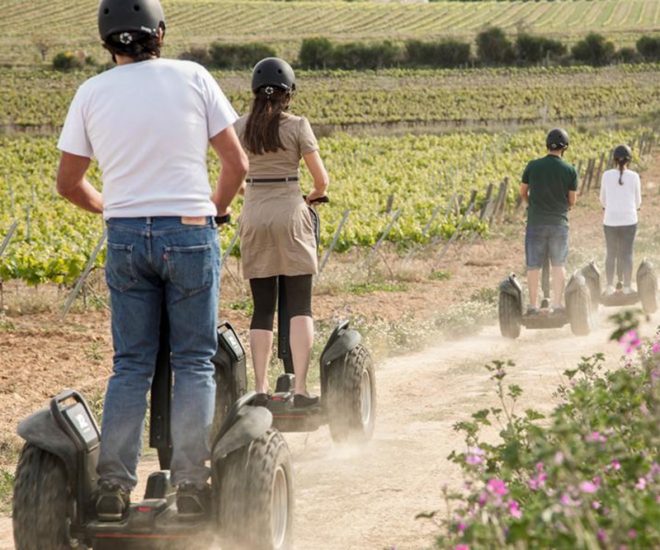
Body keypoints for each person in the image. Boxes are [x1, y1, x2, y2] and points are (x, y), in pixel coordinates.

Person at [56, 0, 247, 520]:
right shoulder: (192, 76)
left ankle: (113, 488)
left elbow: (68, 183)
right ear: (159, 33)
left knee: (131, 364)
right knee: (192, 362)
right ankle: (189, 484)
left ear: (105, 41)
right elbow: (237, 162)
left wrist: (111, 209)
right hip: (188, 231)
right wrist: (216, 209)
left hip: (123, 238)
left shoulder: (90, 93)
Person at [234, 57, 329, 408]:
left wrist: (251, 196)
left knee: (262, 309)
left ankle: (260, 389)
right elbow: (321, 180)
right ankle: (301, 389)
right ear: (288, 95)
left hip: (254, 214)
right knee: (300, 305)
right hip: (291, 211)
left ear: (256, 93)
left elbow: (231, 174)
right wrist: (312, 197)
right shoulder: (297, 125)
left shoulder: (239, 127)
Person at [520, 128, 578, 314]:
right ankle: (557, 304)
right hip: (558, 224)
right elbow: (572, 201)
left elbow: (523, 192)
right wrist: (563, 209)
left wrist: (532, 205)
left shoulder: (532, 165)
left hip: (535, 222)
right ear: (565, 147)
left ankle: (533, 306)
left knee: (533, 266)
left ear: (547, 145)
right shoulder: (570, 170)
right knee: (558, 264)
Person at [599, 144, 642, 295]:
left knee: (611, 253)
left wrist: (610, 208)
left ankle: (610, 286)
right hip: (629, 220)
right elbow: (638, 202)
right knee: (627, 253)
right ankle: (627, 287)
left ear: (614, 160)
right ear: (629, 160)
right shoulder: (634, 176)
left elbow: (602, 200)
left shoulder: (606, 175)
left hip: (610, 220)